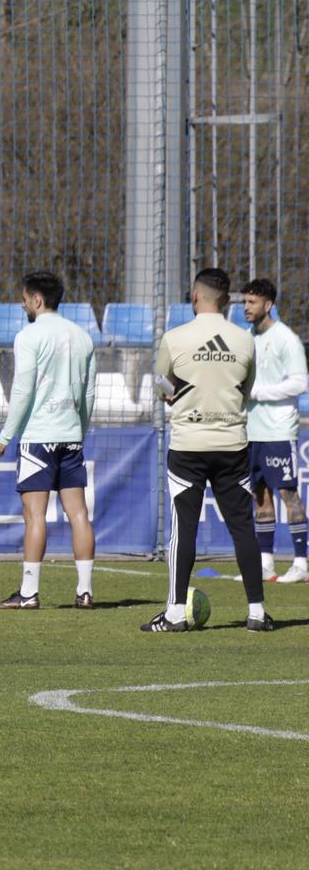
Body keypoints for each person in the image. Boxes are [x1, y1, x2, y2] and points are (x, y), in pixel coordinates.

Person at [145, 267, 271, 632]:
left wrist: (179, 394)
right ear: (227, 300)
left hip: (188, 445)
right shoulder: (244, 340)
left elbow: (161, 386)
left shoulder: (175, 337)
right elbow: (246, 392)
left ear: (195, 296)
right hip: (232, 444)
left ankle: (173, 614)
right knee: (242, 527)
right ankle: (257, 613)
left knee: (183, 529)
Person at [0, 271, 98, 610]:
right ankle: (85, 592)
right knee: (78, 514)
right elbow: (89, 392)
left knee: (35, 515)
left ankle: (29, 593)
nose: (23, 305)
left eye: (24, 299)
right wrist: (80, 430)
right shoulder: (83, 336)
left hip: (39, 437)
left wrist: (6, 435)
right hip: (70, 436)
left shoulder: (29, 336)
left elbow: (23, 389)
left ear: (37, 300)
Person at [240, 278, 308, 584]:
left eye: (252, 303)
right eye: (244, 302)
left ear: (268, 305)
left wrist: (259, 392)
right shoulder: (245, 338)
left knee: (288, 494)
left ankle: (301, 562)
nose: (246, 308)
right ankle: (265, 565)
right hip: (251, 431)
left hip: (279, 431)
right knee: (259, 496)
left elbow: (299, 382)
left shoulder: (286, 339)